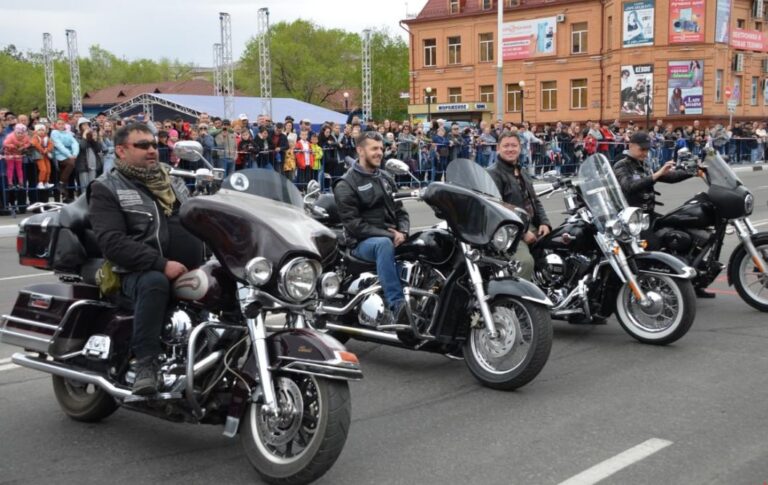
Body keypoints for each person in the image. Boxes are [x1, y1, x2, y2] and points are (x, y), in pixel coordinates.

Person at [88, 123, 202, 395]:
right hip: (131, 271)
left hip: (185, 268)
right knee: (154, 283)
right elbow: (112, 242)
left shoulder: (171, 181)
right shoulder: (107, 187)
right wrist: (161, 264)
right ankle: (146, 364)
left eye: (154, 144)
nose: (152, 150)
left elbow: (196, 217)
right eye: (142, 145)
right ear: (121, 150)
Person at [612, 131, 705, 294]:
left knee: (680, 234)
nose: (645, 153)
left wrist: (693, 172)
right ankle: (651, 286)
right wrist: (656, 175)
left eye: (647, 150)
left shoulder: (644, 164)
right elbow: (629, 186)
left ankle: (692, 283)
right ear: (631, 146)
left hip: (649, 215)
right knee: (654, 245)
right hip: (633, 219)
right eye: (642, 149)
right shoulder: (621, 165)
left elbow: (670, 177)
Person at [333, 131, 410, 326]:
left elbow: (401, 211)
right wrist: (389, 235)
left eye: (381, 149)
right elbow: (354, 225)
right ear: (360, 150)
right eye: (374, 148)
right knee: (383, 244)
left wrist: (403, 231)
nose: (379, 153)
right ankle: (397, 305)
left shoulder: (385, 178)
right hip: (361, 243)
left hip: (389, 236)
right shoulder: (346, 184)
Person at [486, 131, 550, 280]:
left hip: (531, 226)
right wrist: (522, 232)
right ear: (498, 148)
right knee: (525, 262)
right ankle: (516, 294)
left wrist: (544, 222)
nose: (510, 149)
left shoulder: (522, 171)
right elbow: (496, 208)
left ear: (520, 148)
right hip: (508, 233)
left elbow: (534, 201)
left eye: (514, 145)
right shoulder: (493, 173)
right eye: (506, 146)